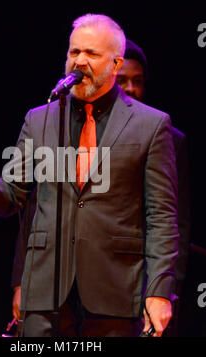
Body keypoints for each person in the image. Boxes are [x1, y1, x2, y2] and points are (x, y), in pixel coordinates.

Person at [0, 14, 179, 337]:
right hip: (45, 295)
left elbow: (162, 217)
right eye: (74, 52)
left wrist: (159, 291)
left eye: (92, 54)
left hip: (115, 294)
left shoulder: (151, 125)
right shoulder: (39, 119)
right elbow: (9, 197)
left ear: (116, 63)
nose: (79, 61)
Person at [118, 39, 191, 336]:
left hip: (149, 281)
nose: (132, 88)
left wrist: (169, 289)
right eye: (122, 81)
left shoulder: (171, 139)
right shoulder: (84, 133)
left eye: (138, 81)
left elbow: (178, 222)